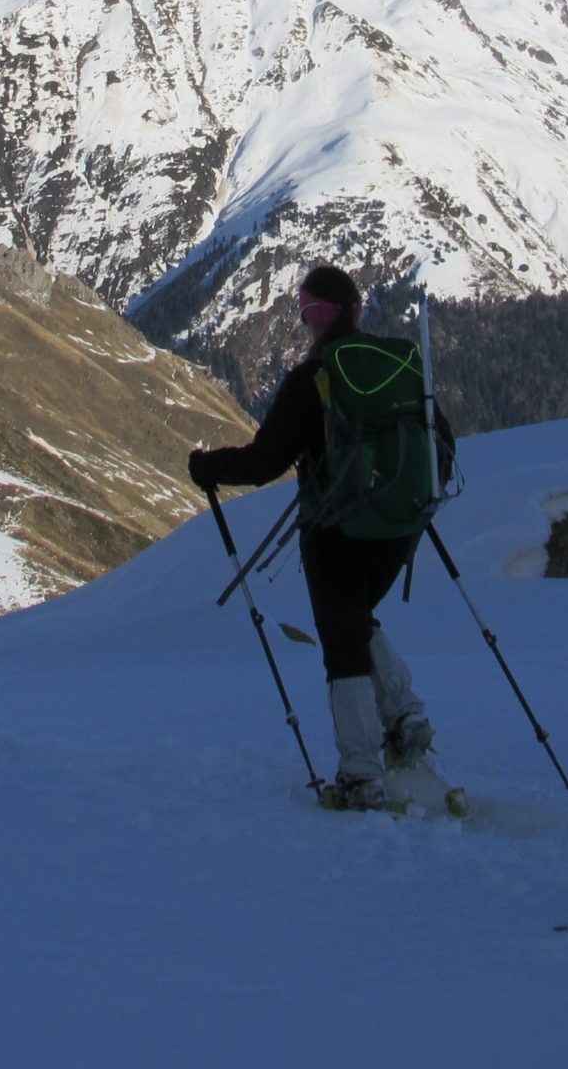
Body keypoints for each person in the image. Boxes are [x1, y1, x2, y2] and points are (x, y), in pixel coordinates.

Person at [188, 264, 434, 811]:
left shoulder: (314, 379)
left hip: (337, 530)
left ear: (318, 317)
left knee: (342, 643)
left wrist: (208, 468)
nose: (307, 322)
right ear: (359, 311)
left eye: (308, 313)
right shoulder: (399, 364)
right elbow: (439, 441)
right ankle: (406, 718)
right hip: (400, 528)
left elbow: (264, 460)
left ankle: (361, 773)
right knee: (355, 620)